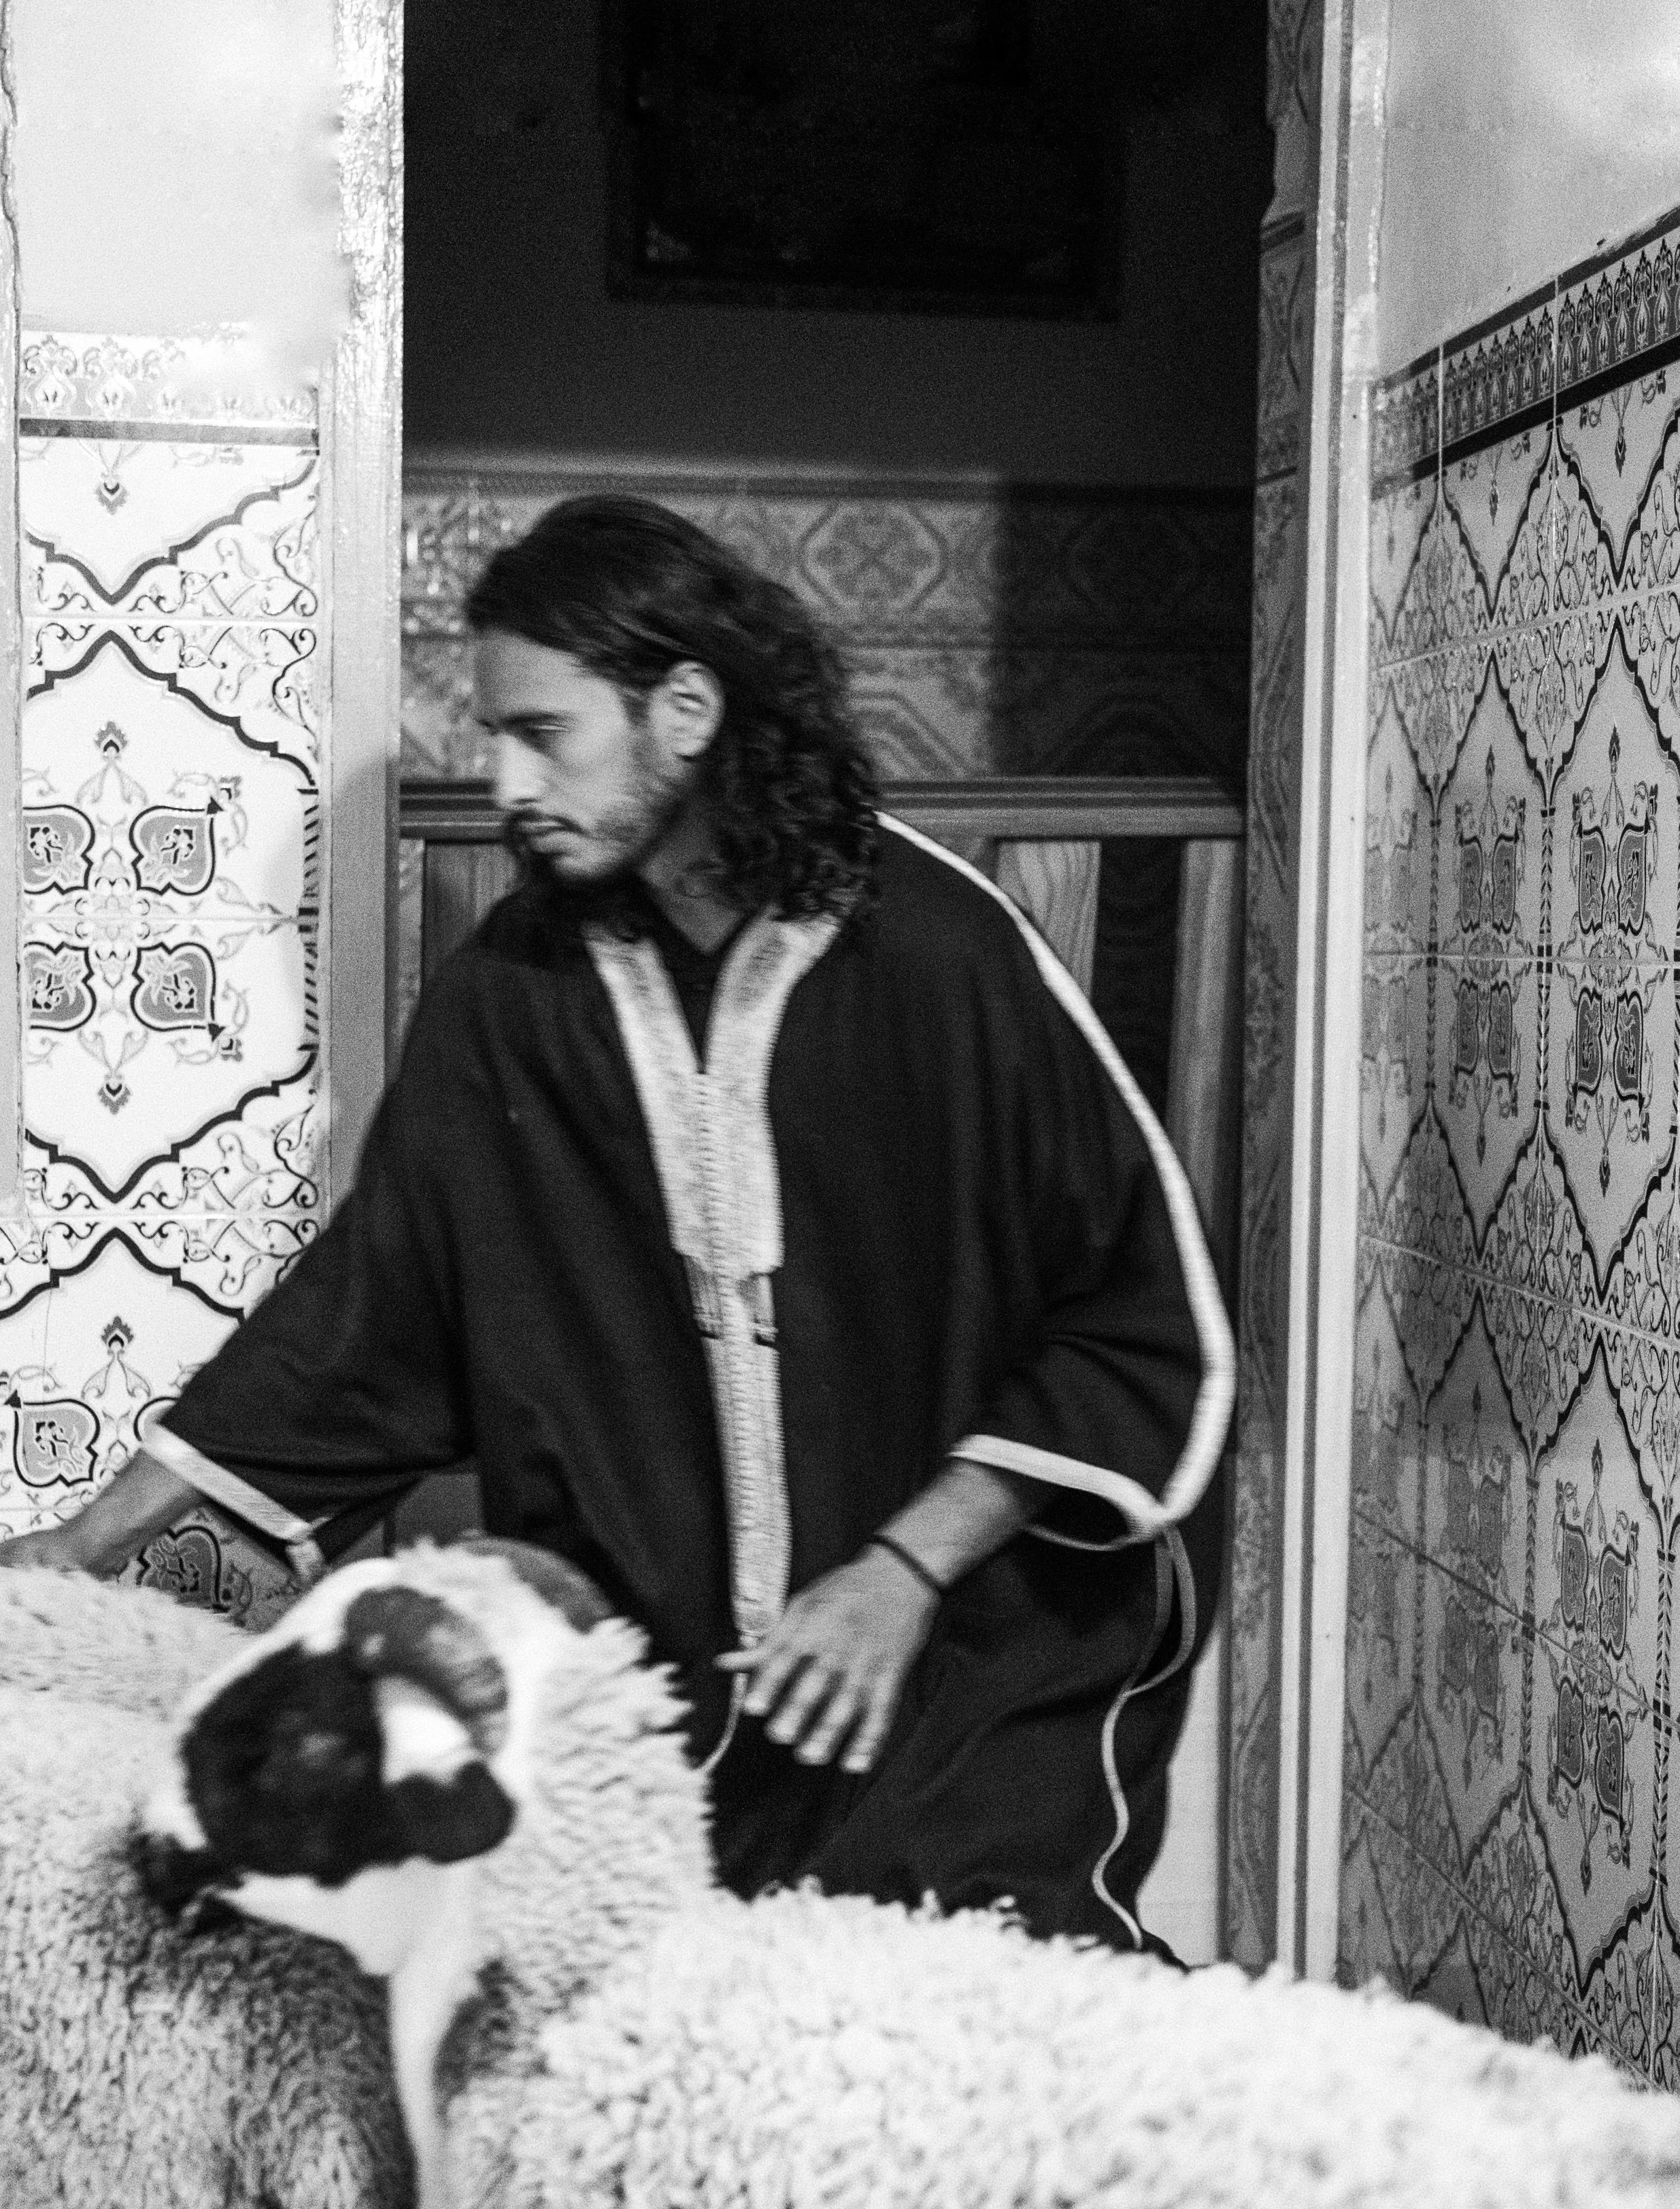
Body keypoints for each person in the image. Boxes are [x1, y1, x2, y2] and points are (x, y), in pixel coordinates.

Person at [0, 495, 1233, 1953]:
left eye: (544, 734)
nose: (505, 783)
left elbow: (1127, 1320)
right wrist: (83, 1541)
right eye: (494, 738)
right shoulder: (510, 994)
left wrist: (899, 1575)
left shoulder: (939, 956)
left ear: (687, 712)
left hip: (962, 1643)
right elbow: (365, 1312)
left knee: (983, 2005)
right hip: (668, 1679)